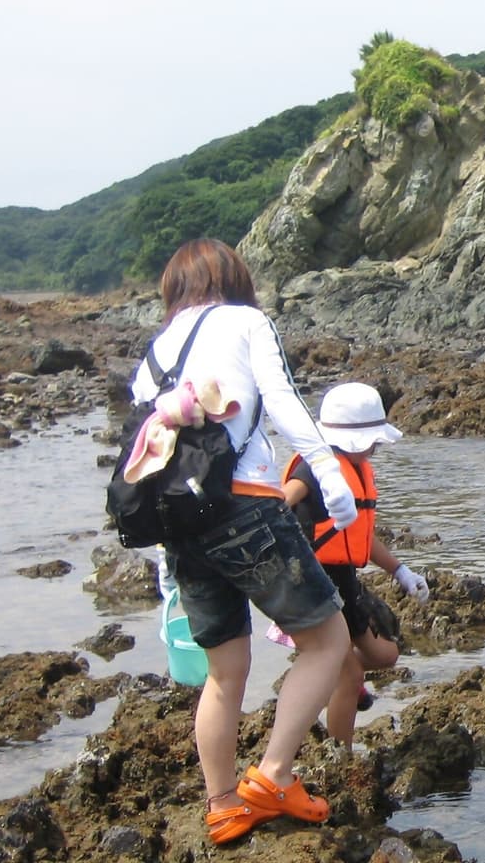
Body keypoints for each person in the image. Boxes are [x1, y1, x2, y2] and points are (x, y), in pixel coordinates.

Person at [131, 238, 356, 844]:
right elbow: (282, 399)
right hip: (247, 508)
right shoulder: (247, 320)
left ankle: (225, 804)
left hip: (182, 526)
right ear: (233, 277)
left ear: (173, 288)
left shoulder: (154, 353)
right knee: (327, 641)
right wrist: (330, 479)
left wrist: (163, 562)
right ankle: (274, 776)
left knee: (224, 672)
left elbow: (152, 456)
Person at [282, 381, 431, 746]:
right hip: (310, 586)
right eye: (374, 439)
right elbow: (278, 505)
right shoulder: (314, 469)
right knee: (348, 676)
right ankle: (341, 759)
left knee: (386, 654)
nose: (377, 446)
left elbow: (360, 535)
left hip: (344, 583)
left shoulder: (355, 468)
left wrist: (400, 570)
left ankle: (328, 677)